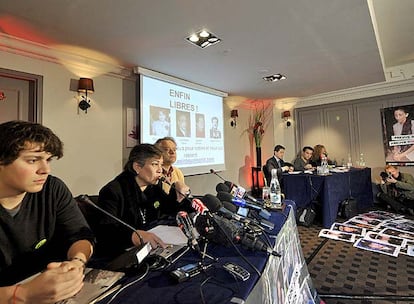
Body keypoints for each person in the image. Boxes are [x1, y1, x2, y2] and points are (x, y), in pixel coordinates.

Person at [0, 120, 95, 303]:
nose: (45, 170)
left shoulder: (52, 188)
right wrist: (22, 294)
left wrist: (77, 262)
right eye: (33, 160)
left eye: (48, 160)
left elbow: (80, 235)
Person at [95, 144, 191, 259]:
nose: (160, 170)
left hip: (153, 247)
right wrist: (134, 236)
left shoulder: (153, 187)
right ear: (137, 167)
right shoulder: (113, 191)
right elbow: (107, 231)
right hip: (123, 253)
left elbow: (168, 209)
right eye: (155, 164)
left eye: (161, 165)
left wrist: (178, 192)